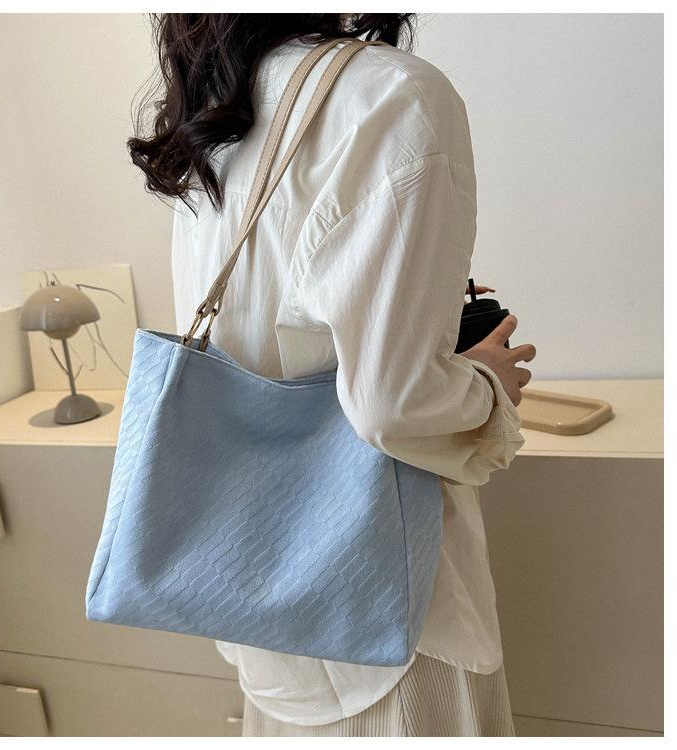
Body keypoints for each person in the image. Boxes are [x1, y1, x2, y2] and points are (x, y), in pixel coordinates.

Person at [128, 13, 536, 737]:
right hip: (392, 607)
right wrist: (486, 386)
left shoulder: (215, 108)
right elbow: (392, 403)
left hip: (257, 600)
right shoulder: (393, 94)